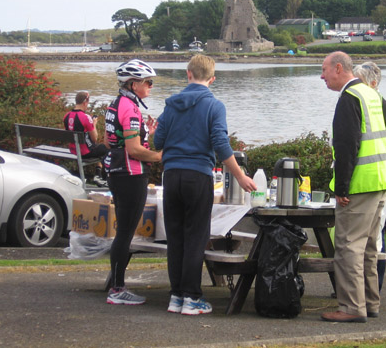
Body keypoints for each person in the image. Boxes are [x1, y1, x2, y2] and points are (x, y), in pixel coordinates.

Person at [153, 54, 256, 315]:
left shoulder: (171, 105)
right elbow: (221, 145)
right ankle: (192, 297)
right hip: (198, 175)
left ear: (188, 74)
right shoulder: (214, 106)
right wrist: (240, 176)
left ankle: (176, 296)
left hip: (171, 175)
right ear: (213, 78)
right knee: (196, 237)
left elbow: (157, 142)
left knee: (175, 238)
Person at [320, 51, 386, 323]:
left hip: (359, 184)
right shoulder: (370, 93)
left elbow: (346, 146)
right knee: (368, 247)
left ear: (339, 69)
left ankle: (351, 307)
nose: (322, 76)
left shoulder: (349, 98)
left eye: (324, 70)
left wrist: (341, 187)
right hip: (381, 181)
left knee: (347, 246)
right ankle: (370, 302)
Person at [104, 59, 162, 305]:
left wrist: (145, 131)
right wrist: (160, 156)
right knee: (126, 232)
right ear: (133, 83)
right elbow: (135, 150)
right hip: (130, 174)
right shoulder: (130, 108)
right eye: (148, 82)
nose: (150, 86)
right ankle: (117, 290)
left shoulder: (116, 104)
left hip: (116, 171)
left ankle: (115, 284)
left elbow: (110, 142)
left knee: (124, 231)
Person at [353, 61, 386, 291]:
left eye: (360, 81)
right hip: (372, 177)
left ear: (373, 84)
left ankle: (373, 286)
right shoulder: (362, 101)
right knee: (367, 237)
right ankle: (359, 288)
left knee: (376, 237)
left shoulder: (375, 104)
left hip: (374, 179)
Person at [63, 91, 109, 187]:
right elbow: (95, 138)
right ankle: (100, 176)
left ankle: (98, 175)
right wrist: (94, 124)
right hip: (84, 152)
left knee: (97, 147)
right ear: (85, 102)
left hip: (73, 150)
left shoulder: (66, 116)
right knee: (106, 148)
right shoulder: (85, 117)